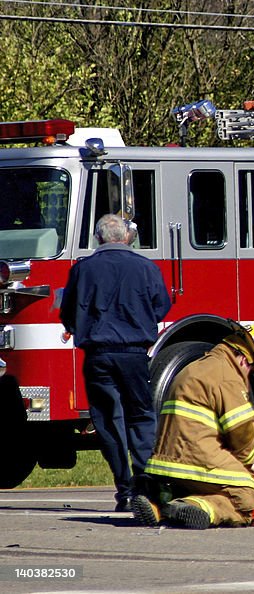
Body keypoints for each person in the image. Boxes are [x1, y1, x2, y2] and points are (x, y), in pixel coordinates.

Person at [59, 213, 171, 511]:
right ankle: (145, 485)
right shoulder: (146, 267)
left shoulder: (82, 269)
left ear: (98, 238)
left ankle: (123, 489)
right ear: (126, 237)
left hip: (97, 355)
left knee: (109, 422)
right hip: (134, 354)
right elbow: (161, 307)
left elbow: (67, 310)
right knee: (142, 417)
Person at [131, 324, 254, 529]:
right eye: (253, 369)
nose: (249, 375)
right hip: (195, 460)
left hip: (164, 463)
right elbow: (242, 433)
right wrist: (246, 465)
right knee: (247, 498)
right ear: (244, 359)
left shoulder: (196, 366)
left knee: (207, 485)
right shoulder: (228, 376)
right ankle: (199, 506)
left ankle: (157, 504)